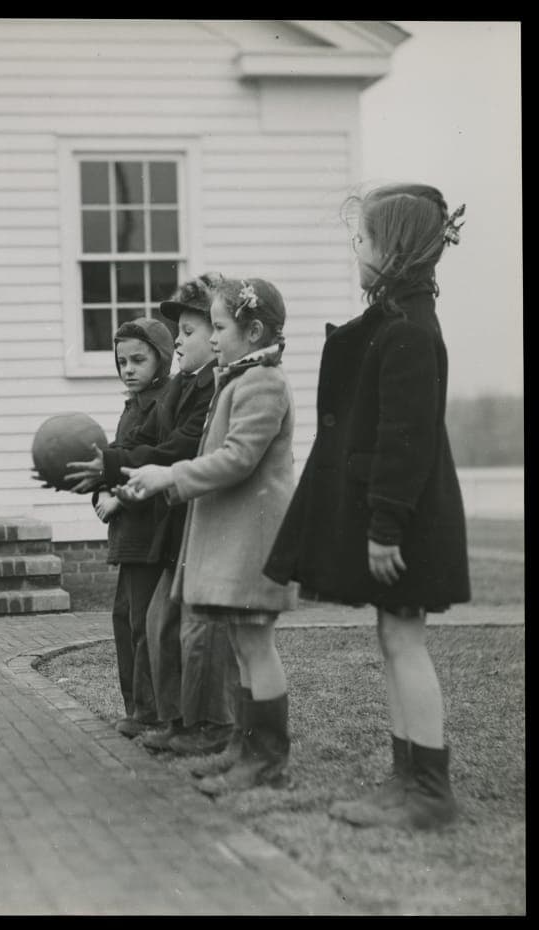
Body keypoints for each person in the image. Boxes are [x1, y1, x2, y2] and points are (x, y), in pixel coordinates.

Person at [264, 185, 469, 830]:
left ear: (396, 251)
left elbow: (404, 445)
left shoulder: (408, 333)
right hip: (405, 518)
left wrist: (384, 527)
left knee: (405, 642)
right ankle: (406, 778)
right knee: (395, 638)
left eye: (366, 240)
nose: (358, 250)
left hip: (407, 521)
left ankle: (429, 791)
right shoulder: (397, 323)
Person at [124, 277, 297, 795]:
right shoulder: (238, 379)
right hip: (235, 539)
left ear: (256, 330)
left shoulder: (263, 383)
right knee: (244, 647)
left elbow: (238, 458)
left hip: (255, 542)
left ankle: (266, 759)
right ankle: (245, 749)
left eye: (219, 327)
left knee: (256, 646)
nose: (212, 336)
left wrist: (171, 476)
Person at [110, 273, 239, 758]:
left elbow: (181, 448)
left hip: (199, 520)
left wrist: (123, 468)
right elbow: (152, 440)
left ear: (219, 332)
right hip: (175, 521)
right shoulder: (183, 386)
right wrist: (116, 464)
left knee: (198, 631)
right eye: (179, 332)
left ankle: (210, 724)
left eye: (188, 332)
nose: (179, 342)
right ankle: (176, 719)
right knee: (162, 622)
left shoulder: (217, 387)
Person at [72, 318, 174, 737]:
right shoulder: (132, 406)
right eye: (121, 361)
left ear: (162, 360)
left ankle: (149, 712)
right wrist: (98, 489)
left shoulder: (162, 405)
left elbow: (157, 463)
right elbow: (118, 456)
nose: (128, 369)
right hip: (128, 535)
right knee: (124, 619)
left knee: (145, 625)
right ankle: (135, 706)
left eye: (138, 359)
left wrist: (118, 496)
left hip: (149, 532)